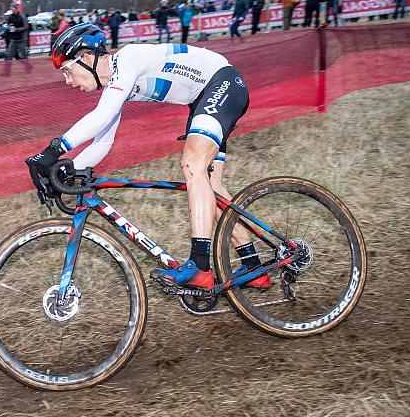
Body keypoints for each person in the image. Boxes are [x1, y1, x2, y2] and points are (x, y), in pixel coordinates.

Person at [26, 24, 271, 290]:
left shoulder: (128, 58)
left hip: (221, 83)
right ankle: (253, 266)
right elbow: (103, 141)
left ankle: (200, 266)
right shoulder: (118, 85)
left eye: (67, 70)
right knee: (209, 188)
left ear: (86, 59)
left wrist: (53, 151)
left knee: (192, 164)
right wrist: (67, 171)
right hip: (205, 97)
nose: (68, 81)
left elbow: (102, 116)